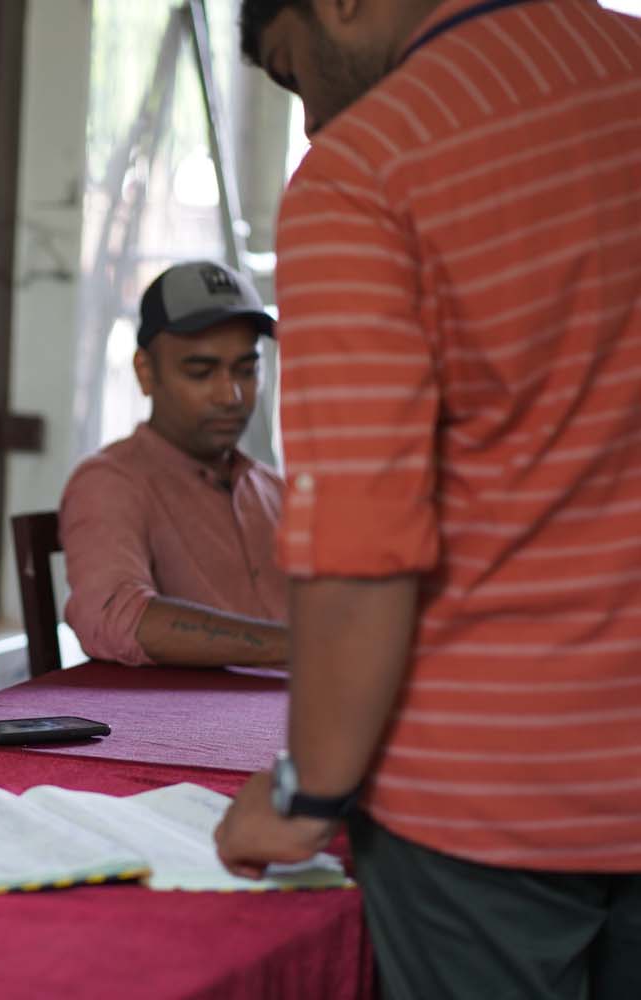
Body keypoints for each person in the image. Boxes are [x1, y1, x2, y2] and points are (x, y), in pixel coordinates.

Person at [215, 2, 641, 997]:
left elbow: (362, 543)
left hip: (489, 796)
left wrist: (306, 791)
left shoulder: (371, 168)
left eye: (294, 73)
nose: (314, 118)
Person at [59, 260, 289, 668]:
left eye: (246, 370)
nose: (231, 395)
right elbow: (112, 616)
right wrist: (301, 648)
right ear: (145, 372)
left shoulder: (274, 490)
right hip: (202, 713)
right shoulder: (110, 482)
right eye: (200, 373)